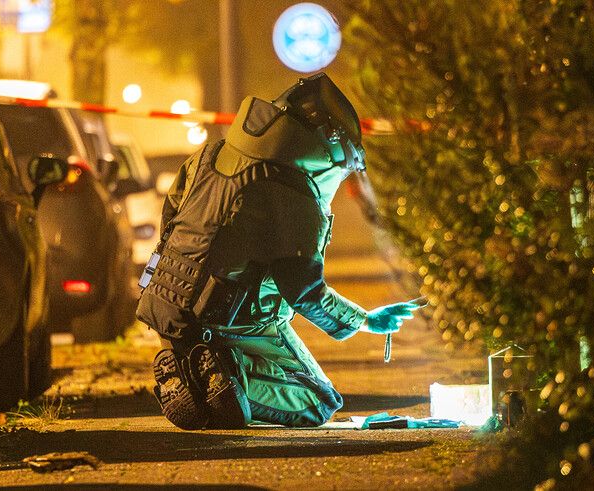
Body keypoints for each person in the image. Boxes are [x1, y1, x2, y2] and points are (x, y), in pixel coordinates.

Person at [136, 73, 423, 430]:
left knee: (222, 395)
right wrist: (365, 321)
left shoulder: (206, 157)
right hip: (234, 320)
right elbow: (304, 292)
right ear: (328, 151)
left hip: (169, 308)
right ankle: (229, 375)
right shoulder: (294, 192)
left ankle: (193, 371)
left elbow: (170, 224)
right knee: (320, 402)